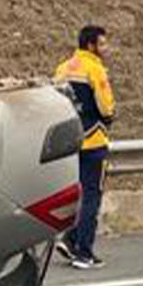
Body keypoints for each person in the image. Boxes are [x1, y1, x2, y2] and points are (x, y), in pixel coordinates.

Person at [52, 24, 114, 269]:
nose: (105, 48)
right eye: (103, 43)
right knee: (91, 196)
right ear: (91, 45)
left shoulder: (62, 68)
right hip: (93, 140)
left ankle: (70, 239)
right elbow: (106, 107)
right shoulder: (95, 69)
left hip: (70, 141)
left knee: (77, 194)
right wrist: (109, 115)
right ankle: (84, 253)